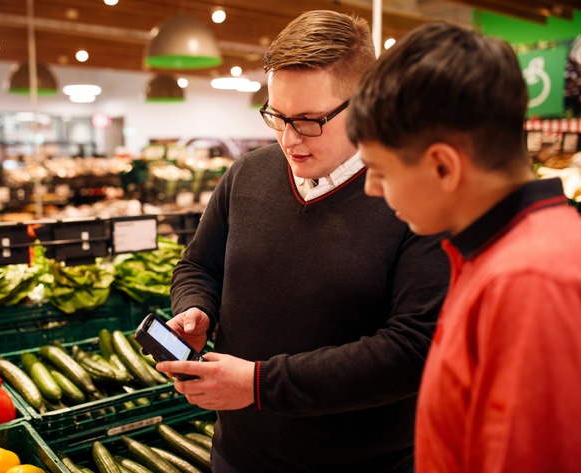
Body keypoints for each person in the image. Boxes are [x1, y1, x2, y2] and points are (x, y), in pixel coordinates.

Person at [155, 10, 450, 473]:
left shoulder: (415, 198)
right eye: (277, 115)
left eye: (310, 120)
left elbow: (412, 349)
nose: (289, 139)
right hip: (239, 454)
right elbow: (198, 266)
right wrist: (196, 306)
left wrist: (259, 384)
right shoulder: (246, 174)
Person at [346, 22, 581, 473]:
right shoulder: (502, 254)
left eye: (379, 170)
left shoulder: (528, 282)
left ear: (442, 166)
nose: (372, 189)